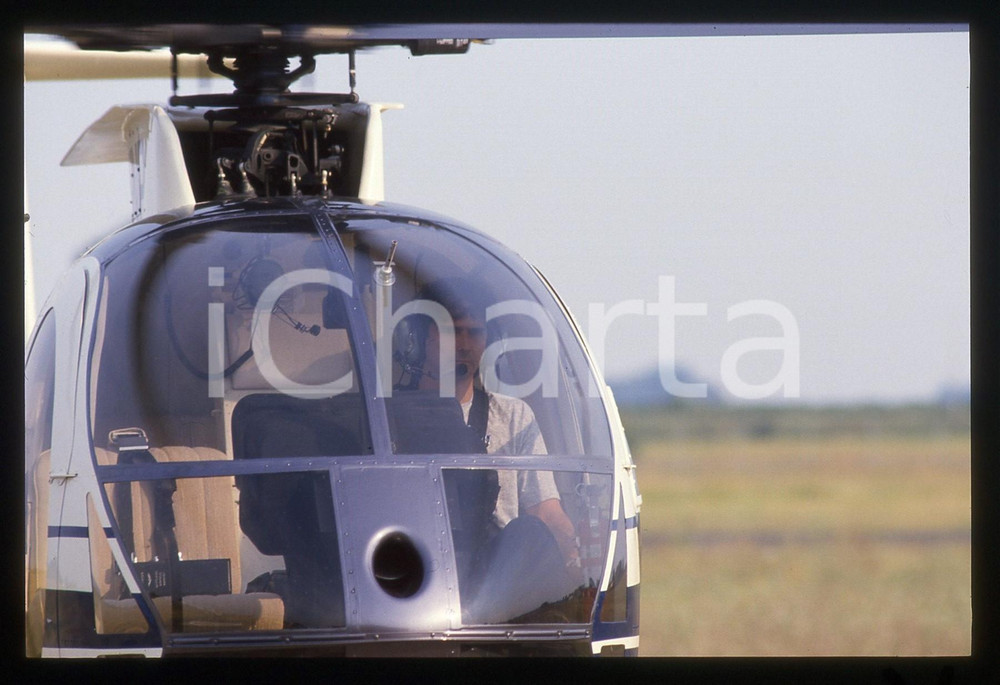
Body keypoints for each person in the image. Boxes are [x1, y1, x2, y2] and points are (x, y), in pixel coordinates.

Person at [411, 278, 582, 573]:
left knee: (529, 534)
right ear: (423, 339)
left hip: (496, 581)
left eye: (473, 333)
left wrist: (576, 561)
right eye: (453, 332)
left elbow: (545, 510)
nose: (463, 345)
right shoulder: (391, 416)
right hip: (416, 561)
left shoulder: (514, 415)